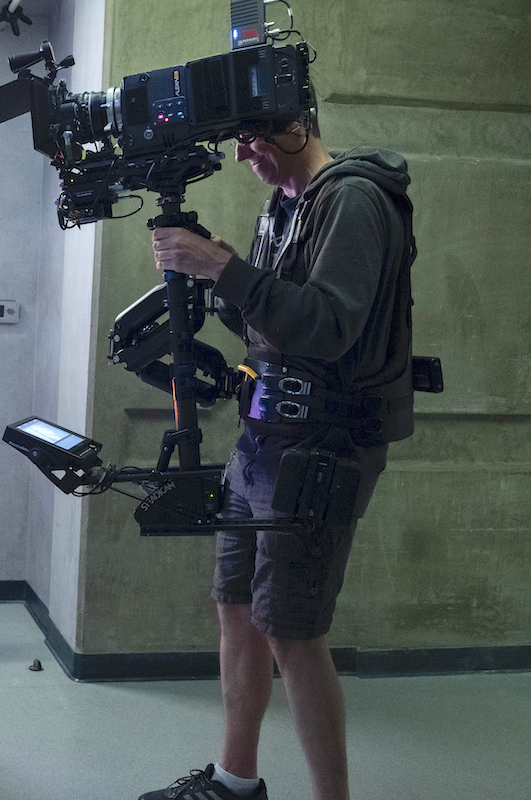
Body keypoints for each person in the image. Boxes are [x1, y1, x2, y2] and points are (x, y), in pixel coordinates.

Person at [140, 104, 416, 800]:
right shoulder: (280, 208)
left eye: (252, 137)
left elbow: (326, 326)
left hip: (324, 446)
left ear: (298, 121)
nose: (242, 154)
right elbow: (269, 321)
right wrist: (220, 273)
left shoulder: (352, 199)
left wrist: (225, 271)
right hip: (264, 437)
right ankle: (235, 780)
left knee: (293, 632)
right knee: (236, 607)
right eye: (236, 138)